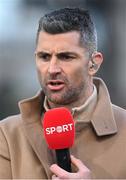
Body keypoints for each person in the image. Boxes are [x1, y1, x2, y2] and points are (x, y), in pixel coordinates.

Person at [0, 7, 126, 179]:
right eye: (44, 57)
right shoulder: (7, 134)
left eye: (66, 57)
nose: (52, 69)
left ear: (93, 64)